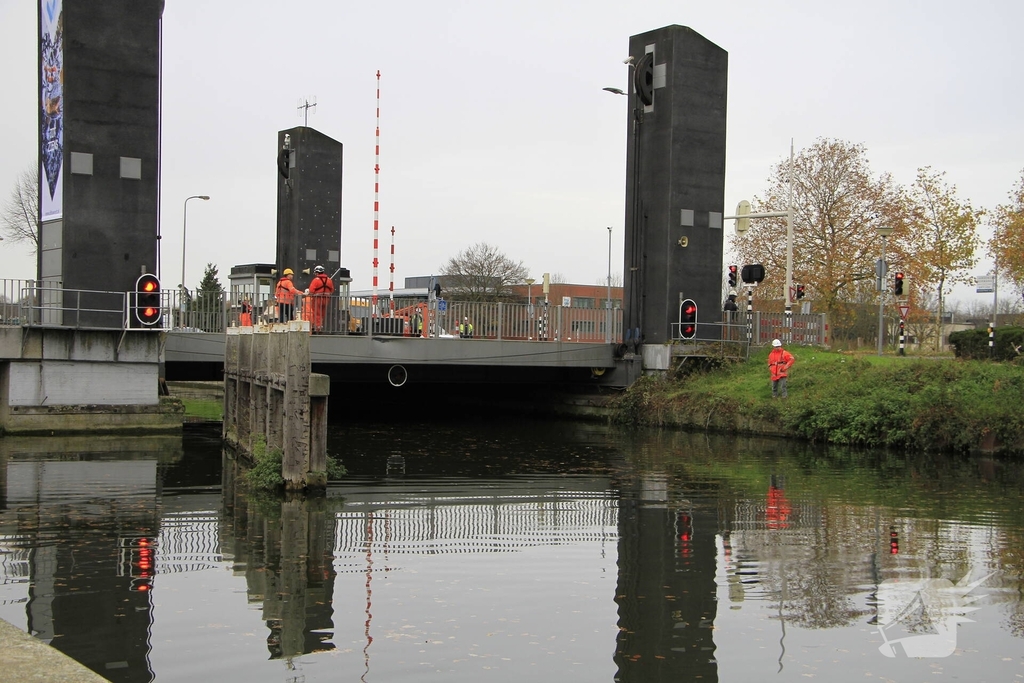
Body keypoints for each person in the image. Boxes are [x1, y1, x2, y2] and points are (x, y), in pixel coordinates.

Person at [304, 265, 334, 333]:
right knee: (322, 314)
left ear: (317, 272)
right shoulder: (329, 280)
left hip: (317, 299)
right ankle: (320, 326)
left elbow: (311, 290)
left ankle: (317, 327)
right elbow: (332, 290)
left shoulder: (316, 280)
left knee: (317, 314)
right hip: (326, 299)